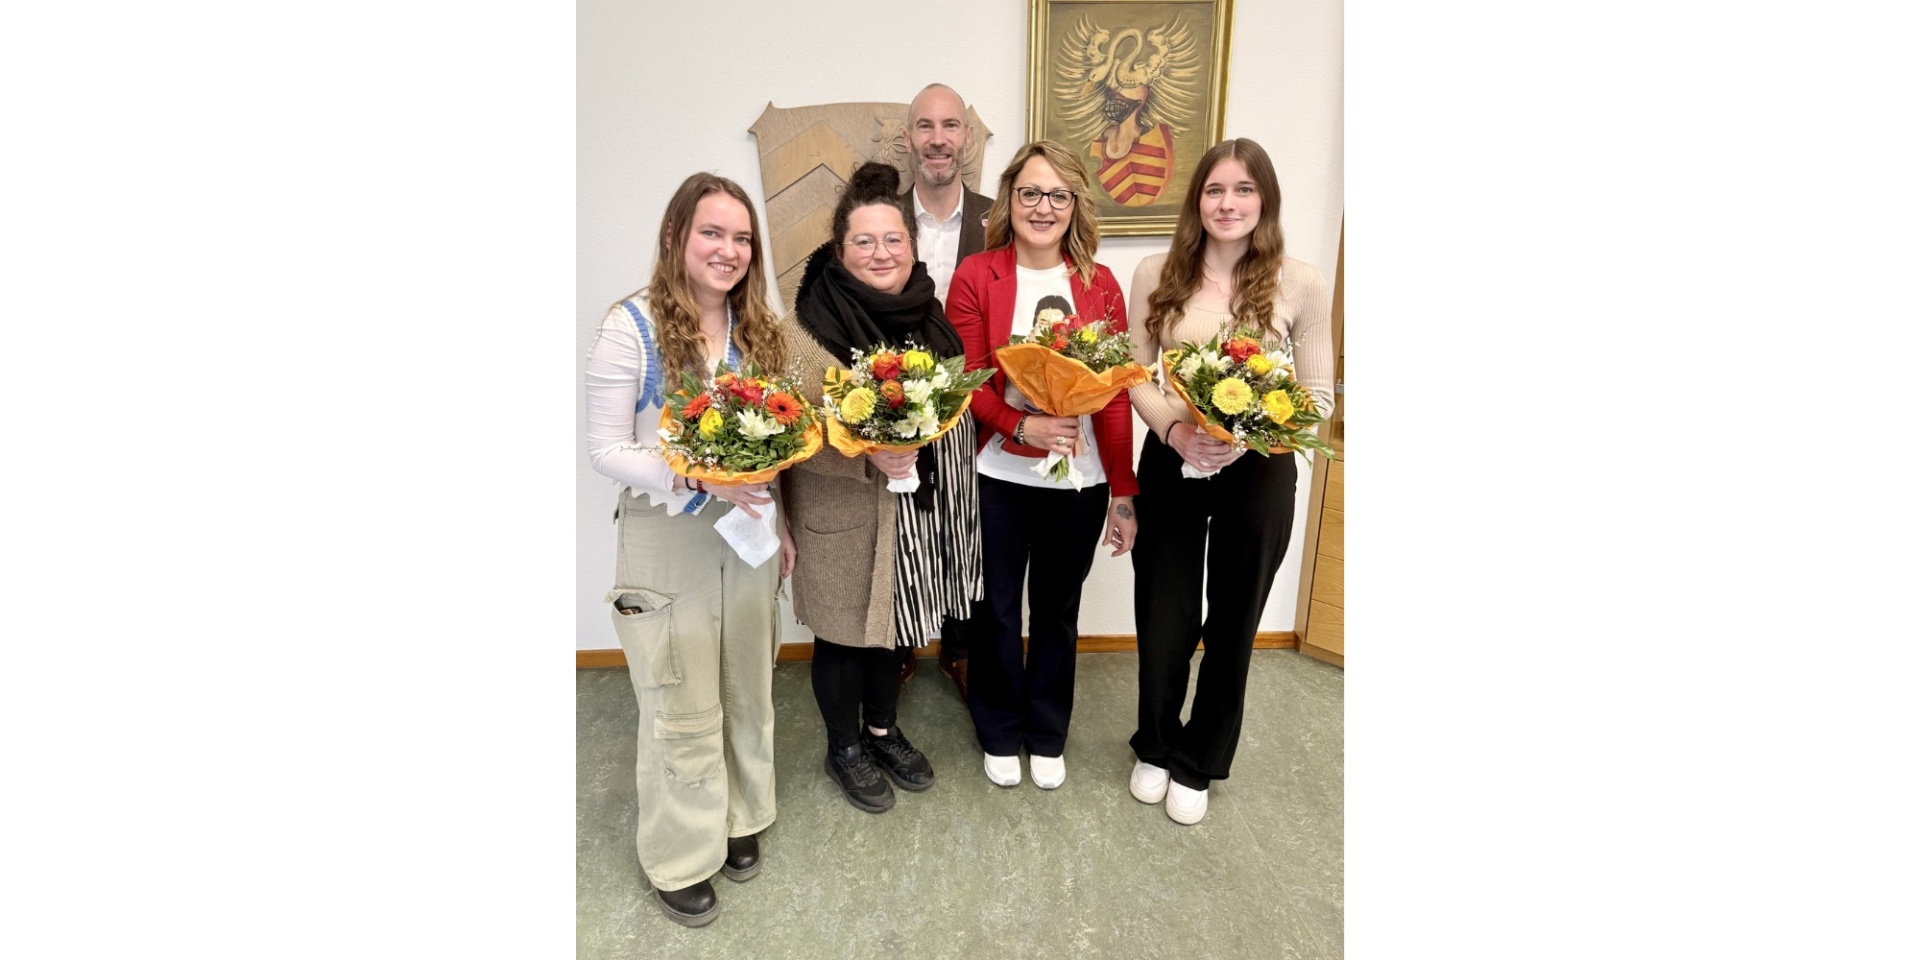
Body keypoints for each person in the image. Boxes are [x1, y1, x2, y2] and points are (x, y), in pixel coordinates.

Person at [583, 172, 795, 926]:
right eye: (713, 232)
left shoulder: (756, 329)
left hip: (747, 535)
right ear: (676, 236)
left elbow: (774, 444)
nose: (729, 250)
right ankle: (680, 851)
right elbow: (605, 447)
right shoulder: (630, 325)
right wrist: (693, 476)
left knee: (745, 680)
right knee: (680, 696)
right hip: (666, 530)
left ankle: (739, 817)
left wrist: (783, 527)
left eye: (742, 238)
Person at [1122, 138, 1335, 825]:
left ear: (1264, 200)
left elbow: (1320, 394)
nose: (1228, 203)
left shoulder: (1300, 281)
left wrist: (1247, 434)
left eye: (1244, 190)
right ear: (1197, 199)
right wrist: (1179, 431)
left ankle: (1199, 759)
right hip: (1172, 458)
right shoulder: (1156, 271)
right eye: (1216, 189)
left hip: (1259, 469)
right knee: (1165, 612)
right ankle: (1154, 744)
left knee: (1235, 618)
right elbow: (1134, 374)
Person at [779, 161, 983, 813]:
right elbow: (790, 440)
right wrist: (873, 455)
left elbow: (949, 405)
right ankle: (843, 746)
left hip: (912, 513)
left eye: (892, 239)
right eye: (864, 242)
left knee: (893, 632)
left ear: (911, 245)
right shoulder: (804, 332)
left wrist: (919, 456)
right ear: (840, 253)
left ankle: (882, 730)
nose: (881, 253)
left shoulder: (930, 314)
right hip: (837, 511)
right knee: (842, 637)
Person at [946, 140, 1138, 791]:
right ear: (1010, 200)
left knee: (1057, 609)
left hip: (1077, 485)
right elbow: (968, 380)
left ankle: (1047, 732)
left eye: (1058, 194)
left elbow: (1111, 397)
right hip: (999, 476)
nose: (1043, 206)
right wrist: (1022, 424)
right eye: (1030, 192)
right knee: (997, 608)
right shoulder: (978, 275)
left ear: (1075, 203)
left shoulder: (1098, 284)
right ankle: (1000, 729)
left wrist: (1122, 491)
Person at [901, 82, 994, 696]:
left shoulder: (1000, 219)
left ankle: (960, 650)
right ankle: (901, 642)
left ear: (967, 138)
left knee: (972, 523)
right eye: (926, 126)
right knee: (904, 519)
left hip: (976, 401)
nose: (939, 139)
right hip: (895, 403)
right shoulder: (880, 220)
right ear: (907, 139)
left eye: (951, 126)